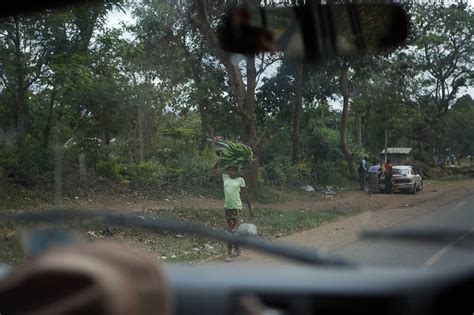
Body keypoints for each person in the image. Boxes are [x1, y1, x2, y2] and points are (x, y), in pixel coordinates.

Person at [213, 162, 254, 262]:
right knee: (232, 229)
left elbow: (246, 195)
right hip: (227, 207)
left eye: (233, 170)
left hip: (236, 207)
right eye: (229, 170)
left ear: (237, 171)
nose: (231, 172)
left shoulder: (240, 180)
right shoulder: (225, 177)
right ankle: (237, 249)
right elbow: (214, 170)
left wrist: (251, 210)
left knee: (230, 229)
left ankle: (228, 253)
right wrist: (221, 161)